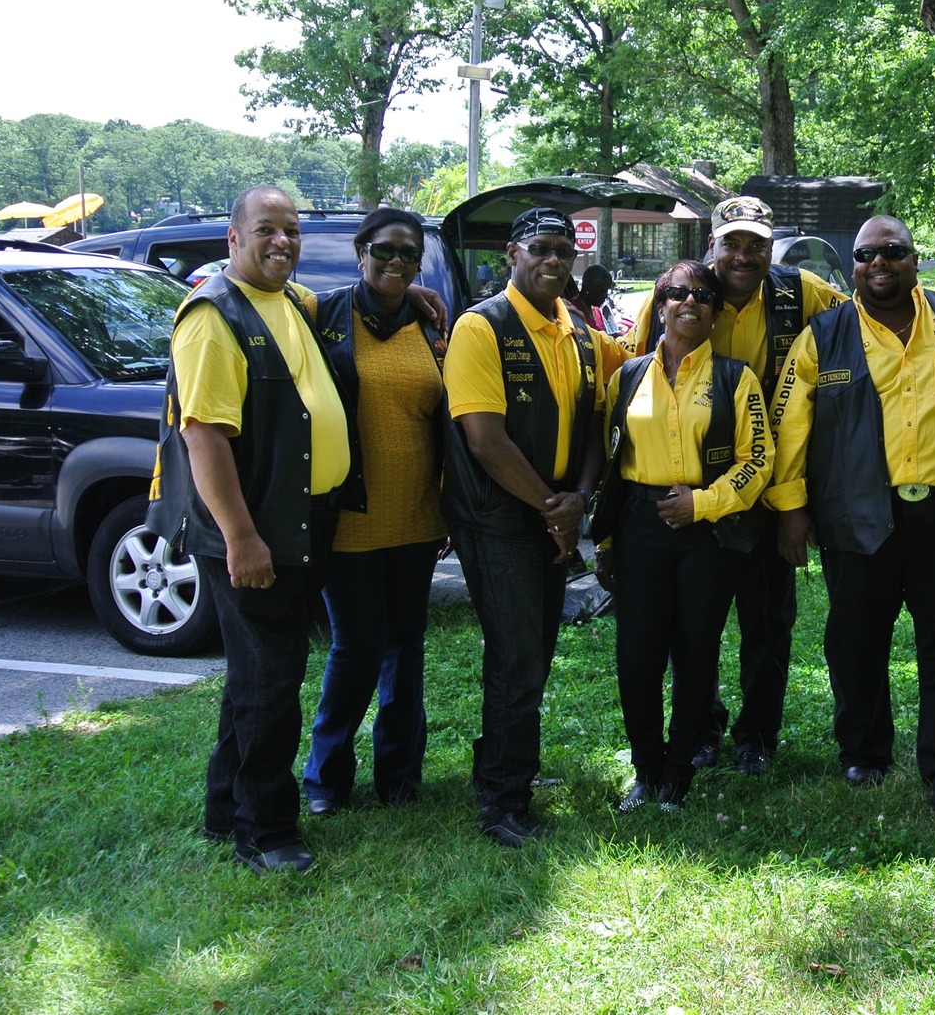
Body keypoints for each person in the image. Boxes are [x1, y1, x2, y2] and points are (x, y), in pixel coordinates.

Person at [147, 185, 354, 875]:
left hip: (298, 524)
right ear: (233, 238)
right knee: (271, 683)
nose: (282, 242)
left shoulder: (290, 301)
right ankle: (264, 834)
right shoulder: (213, 316)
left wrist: (409, 298)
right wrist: (241, 539)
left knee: (254, 677)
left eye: (291, 231)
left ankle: (222, 809)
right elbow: (203, 435)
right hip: (255, 532)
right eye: (266, 229)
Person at [768, 215, 935, 811]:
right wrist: (791, 509)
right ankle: (863, 754)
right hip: (855, 514)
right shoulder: (824, 334)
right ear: (854, 264)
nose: (880, 264)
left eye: (893, 252)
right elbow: (790, 428)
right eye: (867, 254)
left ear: (914, 258)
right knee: (855, 642)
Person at [623, 196, 844, 777]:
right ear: (713, 246)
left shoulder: (803, 292)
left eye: (757, 245)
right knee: (693, 622)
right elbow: (629, 363)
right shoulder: (680, 293)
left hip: (772, 482)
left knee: (768, 618)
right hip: (693, 488)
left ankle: (757, 735)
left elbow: (863, 315)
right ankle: (702, 727)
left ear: (771, 248)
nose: (744, 256)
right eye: (733, 244)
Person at [442, 207, 627, 847]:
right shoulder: (480, 327)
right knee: (517, 658)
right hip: (498, 520)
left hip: (556, 516)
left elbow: (594, 423)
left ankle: (502, 763)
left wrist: (579, 496)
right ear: (512, 255)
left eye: (563, 251)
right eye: (540, 249)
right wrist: (554, 510)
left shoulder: (577, 332)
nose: (553, 261)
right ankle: (503, 803)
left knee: (535, 653)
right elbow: (485, 440)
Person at [589, 261, 772, 812]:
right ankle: (646, 768)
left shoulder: (736, 378)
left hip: (707, 531)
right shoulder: (627, 376)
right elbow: (612, 464)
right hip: (641, 529)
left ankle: (677, 775)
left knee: (696, 651)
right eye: (676, 293)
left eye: (702, 295)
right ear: (659, 304)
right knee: (636, 654)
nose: (688, 302)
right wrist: (605, 542)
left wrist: (704, 503)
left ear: (715, 311)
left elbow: (758, 460)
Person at [302, 209, 449, 815]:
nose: (396, 263)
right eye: (384, 251)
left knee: (406, 645)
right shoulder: (321, 315)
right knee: (356, 646)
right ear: (360, 251)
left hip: (417, 516)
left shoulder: (431, 323)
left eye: (408, 256)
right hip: (350, 516)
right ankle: (325, 779)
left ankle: (399, 776)